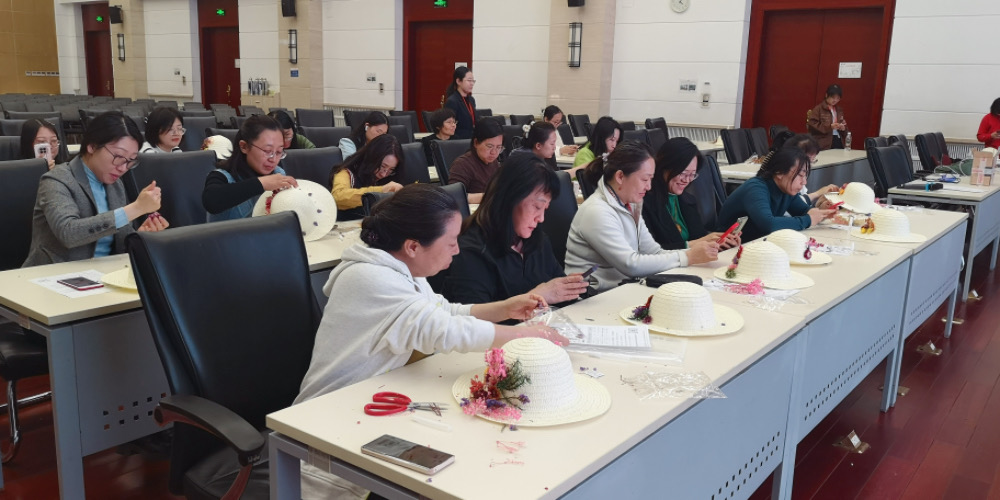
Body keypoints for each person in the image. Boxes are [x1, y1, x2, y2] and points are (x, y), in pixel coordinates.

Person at [294, 183, 567, 499]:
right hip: (330, 427)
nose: (457, 250)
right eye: (451, 242)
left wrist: (505, 308)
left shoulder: (400, 266)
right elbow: (443, 330)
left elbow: (443, 311)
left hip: (375, 402)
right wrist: (526, 335)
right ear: (413, 246)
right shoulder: (370, 278)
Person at [564, 141, 719, 292]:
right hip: (593, 295)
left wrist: (691, 253)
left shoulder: (631, 204)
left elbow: (653, 252)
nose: (649, 187)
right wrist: (688, 256)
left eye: (651, 179)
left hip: (623, 289)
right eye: (645, 179)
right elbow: (630, 264)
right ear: (620, 176)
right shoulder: (597, 211)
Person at [23, 112, 169, 267]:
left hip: (104, 272)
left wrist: (140, 235)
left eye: (131, 160)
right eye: (119, 156)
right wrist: (136, 208)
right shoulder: (56, 180)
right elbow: (68, 233)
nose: (123, 168)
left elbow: (119, 243)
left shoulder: (115, 185)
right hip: (55, 273)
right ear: (92, 146)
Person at [443, 154, 589, 305]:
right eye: (537, 207)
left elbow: (556, 292)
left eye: (545, 209)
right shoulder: (471, 252)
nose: (541, 218)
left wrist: (569, 289)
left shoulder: (537, 240)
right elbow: (474, 317)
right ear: (509, 199)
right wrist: (537, 296)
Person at [716, 148, 836, 242]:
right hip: (728, 248)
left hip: (757, 243)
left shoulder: (785, 188)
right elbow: (769, 224)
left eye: (805, 176)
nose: (804, 182)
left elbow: (804, 211)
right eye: (800, 175)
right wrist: (809, 219)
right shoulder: (756, 188)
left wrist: (821, 213)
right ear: (779, 172)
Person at [642, 138, 740, 251]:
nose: (686, 180)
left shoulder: (687, 200)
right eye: (683, 173)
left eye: (692, 175)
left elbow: (699, 237)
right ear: (664, 167)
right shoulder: (644, 202)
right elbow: (649, 252)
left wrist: (720, 243)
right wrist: (696, 243)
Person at [202, 115, 298, 222]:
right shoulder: (222, 176)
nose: (274, 159)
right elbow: (212, 201)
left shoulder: (278, 172)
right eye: (267, 151)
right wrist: (261, 183)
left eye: (279, 152)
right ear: (244, 146)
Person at [329, 134, 404, 220]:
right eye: (382, 166)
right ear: (371, 158)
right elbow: (338, 197)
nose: (384, 174)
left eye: (391, 169)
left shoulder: (391, 176)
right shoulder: (346, 172)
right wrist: (381, 191)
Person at [448, 117, 502, 204]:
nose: (494, 152)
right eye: (489, 146)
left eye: (499, 147)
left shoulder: (494, 162)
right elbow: (454, 196)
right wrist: (489, 197)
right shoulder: (462, 164)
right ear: (476, 142)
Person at [774, 132, 838, 205]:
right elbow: (793, 204)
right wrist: (818, 194)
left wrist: (819, 205)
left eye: (812, 160)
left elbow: (799, 205)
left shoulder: (799, 174)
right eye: (808, 160)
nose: (804, 182)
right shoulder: (784, 175)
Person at [807, 84, 849, 150]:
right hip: (824, 141)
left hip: (838, 139)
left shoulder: (839, 110)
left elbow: (845, 129)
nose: (835, 100)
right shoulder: (818, 109)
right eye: (833, 97)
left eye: (838, 98)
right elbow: (812, 125)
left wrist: (843, 128)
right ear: (826, 95)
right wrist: (830, 127)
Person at [444, 66, 477, 140]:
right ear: (458, 81)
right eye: (469, 80)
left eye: (473, 81)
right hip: (459, 140)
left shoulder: (471, 100)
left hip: (471, 139)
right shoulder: (452, 101)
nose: (472, 84)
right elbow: (449, 126)